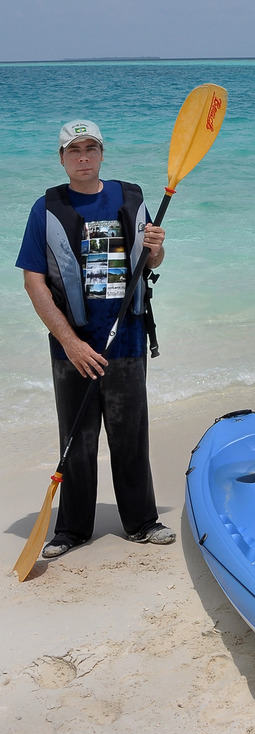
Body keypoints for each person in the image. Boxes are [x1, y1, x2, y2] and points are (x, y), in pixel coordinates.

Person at [16, 119, 177, 558]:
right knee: (78, 436)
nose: (83, 157)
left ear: (102, 153)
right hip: (74, 345)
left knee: (130, 433)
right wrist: (70, 342)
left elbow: (150, 259)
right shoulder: (45, 208)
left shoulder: (131, 197)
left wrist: (158, 246)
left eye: (90, 148)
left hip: (126, 337)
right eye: (74, 150)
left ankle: (142, 522)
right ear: (63, 158)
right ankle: (71, 529)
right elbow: (34, 282)